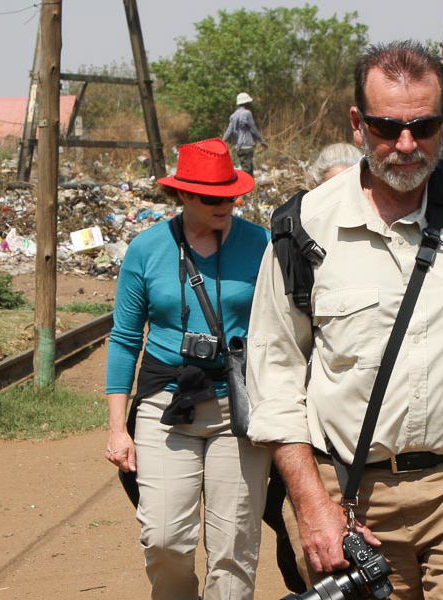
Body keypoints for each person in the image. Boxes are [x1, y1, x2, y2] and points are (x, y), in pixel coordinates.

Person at [246, 40, 443, 599]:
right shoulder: (305, 227)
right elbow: (274, 374)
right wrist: (311, 504)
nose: (405, 145)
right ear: (356, 122)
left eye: (422, 127)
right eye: (386, 127)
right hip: (345, 496)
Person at [104, 137, 273, 600]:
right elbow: (123, 339)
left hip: (238, 409)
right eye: (210, 197)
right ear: (181, 195)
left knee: (234, 547)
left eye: (230, 195)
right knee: (163, 539)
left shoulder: (261, 244)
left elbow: (287, 328)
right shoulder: (146, 249)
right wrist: (118, 429)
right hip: (166, 406)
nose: (224, 204)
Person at [222, 92, 264, 175]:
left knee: (244, 166)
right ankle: (248, 186)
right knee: (248, 170)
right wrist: (261, 140)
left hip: (238, 148)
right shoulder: (247, 113)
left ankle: (248, 186)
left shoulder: (233, 116)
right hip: (247, 146)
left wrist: (222, 142)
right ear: (246, 103)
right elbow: (253, 129)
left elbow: (228, 132)